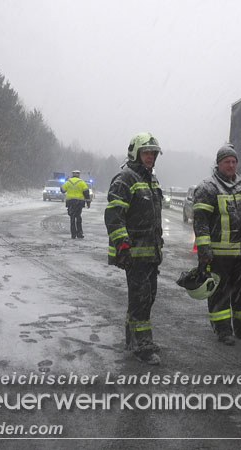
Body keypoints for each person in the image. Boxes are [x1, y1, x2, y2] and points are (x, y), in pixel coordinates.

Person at [192, 144, 241, 346]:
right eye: (227, 162)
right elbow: (201, 221)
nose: (231, 165)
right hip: (219, 255)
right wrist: (205, 251)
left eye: (234, 162)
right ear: (219, 164)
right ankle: (223, 331)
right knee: (220, 294)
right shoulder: (208, 187)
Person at [105, 132, 164, 365]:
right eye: (146, 152)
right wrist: (123, 245)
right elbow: (114, 215)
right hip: (134, 253)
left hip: (151, 254)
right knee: (140, 299)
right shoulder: (125, 179)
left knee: (148, 298)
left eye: (153, 153)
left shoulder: (151, 179)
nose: (150, 157)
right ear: (136, 153)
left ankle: (133, 338)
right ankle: (143, 345)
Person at [60, 170, 92, 239]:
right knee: (78, 217)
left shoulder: (69, 182)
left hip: (70, 202)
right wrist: (88, 203)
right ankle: (79, 233)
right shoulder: (82, 182)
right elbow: (86, 193)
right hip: (79, 202)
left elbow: (62, 190)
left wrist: (64, 183)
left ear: (72, 174)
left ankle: (73, 234)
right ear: (79, 175)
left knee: (72, 218)